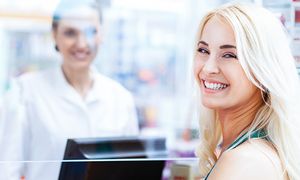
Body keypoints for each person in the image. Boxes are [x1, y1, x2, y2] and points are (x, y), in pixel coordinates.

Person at [0, 0, 139, 179]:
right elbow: (7, 171)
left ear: (101, 35)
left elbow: (131, 170)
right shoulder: (24, 92)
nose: (81, 44)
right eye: (70, 33)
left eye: (91, 32)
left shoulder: (120, 98)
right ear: (54, 35)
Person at [193, 3, 300, 180]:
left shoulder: (245, 161)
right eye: (203, 50)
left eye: (229, 55)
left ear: (263, 69)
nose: (208, 68)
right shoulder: (252, 151)